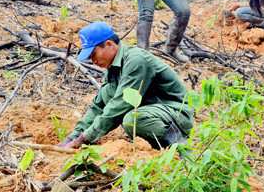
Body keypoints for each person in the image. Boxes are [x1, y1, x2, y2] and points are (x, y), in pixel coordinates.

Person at [59, 21, 193, 150]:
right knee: (108, 93)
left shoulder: (136, 60)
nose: (93, 61)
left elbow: (120, 104)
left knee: (131, 120)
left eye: (94, 55)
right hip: (154, 112)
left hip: (176, 113)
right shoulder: (113, 69)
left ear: (109, 45)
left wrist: (85, 138)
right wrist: (72, 138)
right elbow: (98, 107)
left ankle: (178, 144)